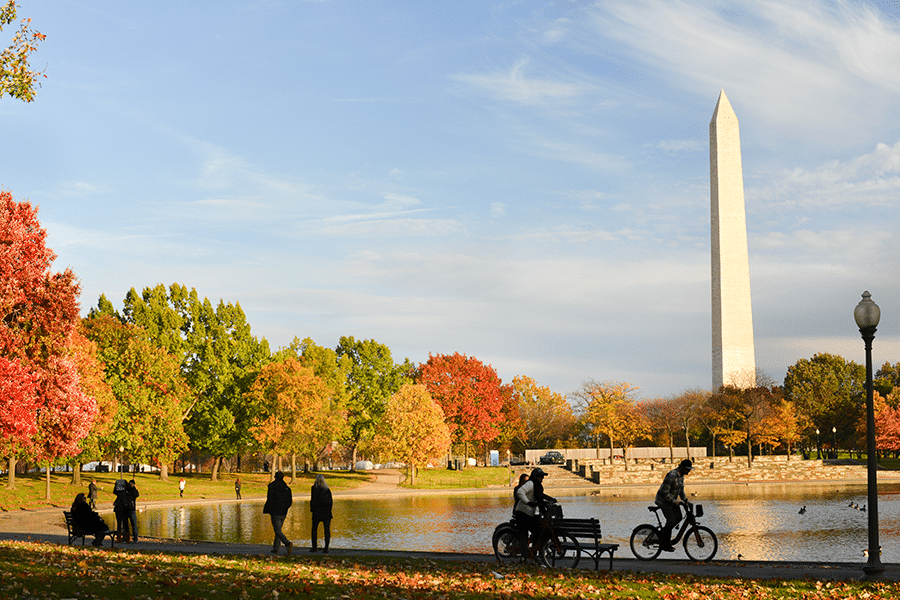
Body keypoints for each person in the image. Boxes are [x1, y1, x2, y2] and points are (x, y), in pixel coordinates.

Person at [514, 468, 556, 555]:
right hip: (522, 513)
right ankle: (525, 554)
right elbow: (520, 492)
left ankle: (533, 552)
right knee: (525, 533)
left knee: (538, 530)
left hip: (529, 514)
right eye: (541, 477)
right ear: (536, 477)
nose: (542, 479)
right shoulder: (530, 483)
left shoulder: (537, 486)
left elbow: (540, 496)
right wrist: (528, 502)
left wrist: (549, 499)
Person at [654, 459, 693, 552]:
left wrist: (686, 501)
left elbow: (681, 490)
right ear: (682, 467)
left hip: (671, 501)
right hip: (663, 501)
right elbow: (664, 492)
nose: (688, 471)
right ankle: (665, 543)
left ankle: (664, 534)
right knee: (671, 520)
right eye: (687, 469)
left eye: (690, 469)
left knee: (679, 517)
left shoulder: (681, 476)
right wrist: (675, 501)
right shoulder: (671, 475)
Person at [263, 471, 293, 554]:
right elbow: (290, 501)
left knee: (277, 530)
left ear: (275, 477)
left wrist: (269, 509)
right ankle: (276, 548)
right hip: (283, 511)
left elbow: (270, 499)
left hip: (275, 511)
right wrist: (286, 508)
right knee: (278, 530)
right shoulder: (286, 488)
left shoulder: (272, 486)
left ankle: (287, 543)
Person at [310, 474, 333, 553]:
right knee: (327, 530)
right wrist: (329, 510)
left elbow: (312, 500)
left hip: (317, 512)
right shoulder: (327, 489)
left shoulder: (314, 489)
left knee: (314, 529)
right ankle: (326, 547)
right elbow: (331, 502)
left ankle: (314, 547)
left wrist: (312, 510)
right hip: (326, 512)